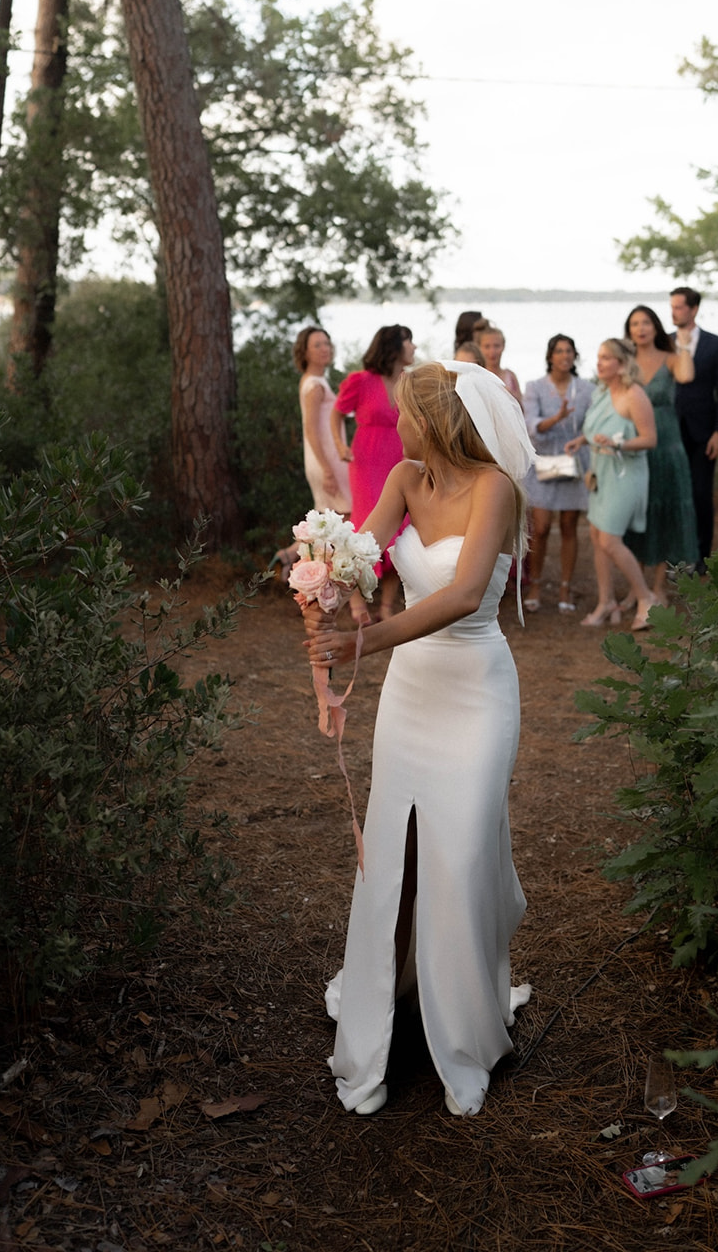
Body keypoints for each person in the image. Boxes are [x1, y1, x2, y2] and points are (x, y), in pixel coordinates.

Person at [305, 361, 535, 1118]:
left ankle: (464, 1029)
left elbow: (464, 595)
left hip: (474, 685)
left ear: (434, 419)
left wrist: (364, 647)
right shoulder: (404, 478)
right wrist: (326, 575)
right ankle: (386, 1008)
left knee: (462, 849)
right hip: (411, 693)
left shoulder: (494, 487)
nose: (393, 423)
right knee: (395, 853)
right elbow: (366, 557)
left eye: (404, 412)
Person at [566, 338, 658, 631]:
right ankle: (605, 601)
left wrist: (618, 444)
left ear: (621, 365)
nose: (600, 362)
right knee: (596, 536)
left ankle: (646, 597)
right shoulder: (602, 392)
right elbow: (595, 427)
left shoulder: (635, 395)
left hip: (625, 475)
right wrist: (583, 439)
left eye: (606, 358)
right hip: (600, 472)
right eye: (599, 356)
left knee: (609, 540)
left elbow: (650, 439)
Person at [331, 324, 415, 620]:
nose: (414, 348)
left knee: (400, 528)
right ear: (394, 347)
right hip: (367, 458)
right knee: (364, 527)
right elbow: (337, 412)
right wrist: (340, 445)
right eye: (409, 342)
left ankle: (387, 607)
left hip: (399, 457)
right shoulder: (361, 380)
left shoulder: (408, 381)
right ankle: (356, 604)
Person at [621, 305, 698, 606]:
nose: (640, 328)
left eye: (646, 323)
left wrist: (684, 343)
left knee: (664, 512)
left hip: (667, 447)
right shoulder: (625, 363)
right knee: (637, 515)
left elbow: (688, 376)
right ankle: (635, 588)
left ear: (655, 327)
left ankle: (659, 587)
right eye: (634, 324)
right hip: (635, 445)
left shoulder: (672, 358)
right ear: (628, 330)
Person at [521, 334, 593, 613]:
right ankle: (536, 584)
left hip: (574, 459)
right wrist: (557, 418)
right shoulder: (535, 387)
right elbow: (532, 425)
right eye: (559, 351)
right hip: (546, 460)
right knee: (540, 527)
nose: (564, 355)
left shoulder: (587, 388)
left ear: (575, 356)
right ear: (550, 356)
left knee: (568, 525)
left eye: (569, 351)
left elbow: (593, 421)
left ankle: (565, 586)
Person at [669, 287, 718, 569]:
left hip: (704, 432)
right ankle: (673, 557)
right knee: (672, 493)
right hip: (669, 431)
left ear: (693, 309)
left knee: (700, 494)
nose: (674, 312)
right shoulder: (664, 343)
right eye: (672, 307)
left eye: (679, 307)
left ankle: (701, 558)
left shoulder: (715, 344)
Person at [294, 325, 352, 513]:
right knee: (344, 515)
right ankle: (296, 544)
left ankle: (295, 544)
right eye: (317, 345)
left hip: (325, 458)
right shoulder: (314, 386)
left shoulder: (312, 379)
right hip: (327, 460)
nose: (324, 348)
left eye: (326, 343)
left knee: (330, 521)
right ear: (305, 352)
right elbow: (310, 429)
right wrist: (327, 470)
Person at [478, 325, 524, 405]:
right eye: (487, 346)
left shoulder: (511, 376)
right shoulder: (477, 376)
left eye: (496, 346)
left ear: (503, 346)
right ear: (479, 347)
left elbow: (523, 409)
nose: (492, 351)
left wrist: (511, 395)